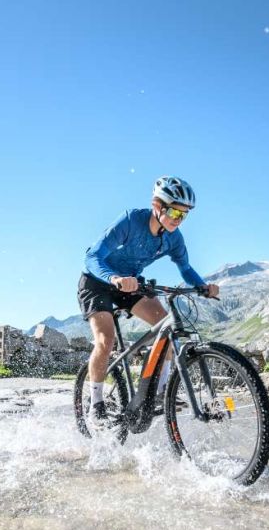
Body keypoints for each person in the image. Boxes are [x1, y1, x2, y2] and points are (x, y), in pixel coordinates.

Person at [78, 175, 220, 425]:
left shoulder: (174, 238)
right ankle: (96, 403)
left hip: (131, 284)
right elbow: (93, 256)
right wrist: (113, 278)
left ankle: (161, 392)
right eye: (175, 213)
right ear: (158, 205)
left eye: (184, 215)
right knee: (105, 339)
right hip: (98, 282)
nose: (179, 220)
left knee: (165, 325)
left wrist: (202, 286)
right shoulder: (132, 220)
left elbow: (185, 268)